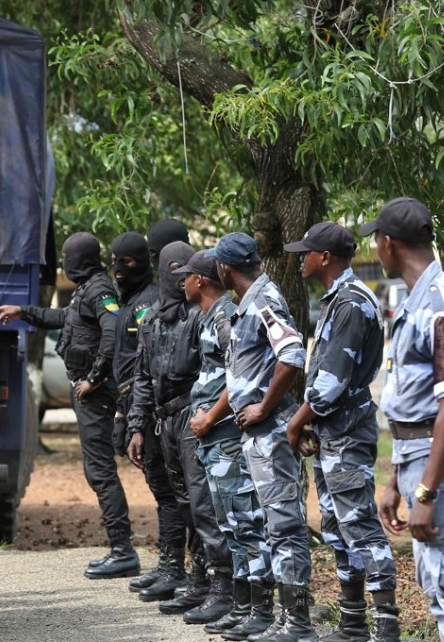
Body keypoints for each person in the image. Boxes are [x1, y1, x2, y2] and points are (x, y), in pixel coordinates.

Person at [0, 232, 139, 579]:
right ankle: (122, 549)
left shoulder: (100, 289)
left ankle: (123, 550)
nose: (64, 263)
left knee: (100, 471)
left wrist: (96, 377)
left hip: (96, 394)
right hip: (86, 391)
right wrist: (23, 312)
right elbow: (66, 320)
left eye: (68, 256)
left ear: (81, 258)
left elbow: (112, 329)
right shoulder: (85, 289)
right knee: (98, 470)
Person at [367, 198, 444, 642]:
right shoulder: (419, 300)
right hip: (420, 464)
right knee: (440, 589)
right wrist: (397, 480)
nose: (376, 248)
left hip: (443, 475)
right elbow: (412, 408)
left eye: (376, 240)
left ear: (388, 243)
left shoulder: (442, 304)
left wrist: (428, 490)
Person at [282, 222, 400, 642]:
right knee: (336, 523)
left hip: (348, 431)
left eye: (306, 252)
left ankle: (386, 629)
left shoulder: (351, 303)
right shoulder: (338, 300)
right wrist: (312, 420)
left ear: (325, 258)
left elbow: (331, 381)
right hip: (334, 431)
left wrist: (297, 422)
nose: (300, 259)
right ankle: (352, 624)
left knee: (361, 525)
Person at [201, 232, 314, 642]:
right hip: (255, 434)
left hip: (269, 432)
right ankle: (284, 618)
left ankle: (298, 622)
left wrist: (265, 407)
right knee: (270, 525)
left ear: (224, 269)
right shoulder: (248, 303)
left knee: (284, 524)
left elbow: (292, 355)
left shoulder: (264, 301)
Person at [126, 241, 232, 623]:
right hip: (162, 420)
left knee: (204, 501)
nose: (175, 278)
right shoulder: (152, 318)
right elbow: (141, 376)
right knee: (181, 500)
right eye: (169, 271)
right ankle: (195, 574)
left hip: (194, 414)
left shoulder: (202, 316)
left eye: (181, 270)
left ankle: (215, 583)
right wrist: (137, 427)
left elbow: (221, 373)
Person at [181, 250, 275, 638]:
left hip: (225, 438)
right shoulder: (211, 316)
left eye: (186, 276)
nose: (180, 282)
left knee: (245, 521)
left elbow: (239, 376)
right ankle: (242, 605)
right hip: (213, 440)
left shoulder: (223, 317)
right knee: (231, 524)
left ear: (200, 280)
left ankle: (262, 608)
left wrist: (210, 416)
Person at [106, 231, 180, 597]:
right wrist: (125, 416)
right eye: (115, 261)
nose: (119, 270)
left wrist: (133, 417)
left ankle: (178, 569)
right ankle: (170, 564)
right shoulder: (137, 301)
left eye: (128, 262)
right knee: (164, 492)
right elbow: (135, 368)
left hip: (162, 414)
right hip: (141, 410)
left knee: (171, 494)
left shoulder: (152, 303)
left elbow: (147, 369)